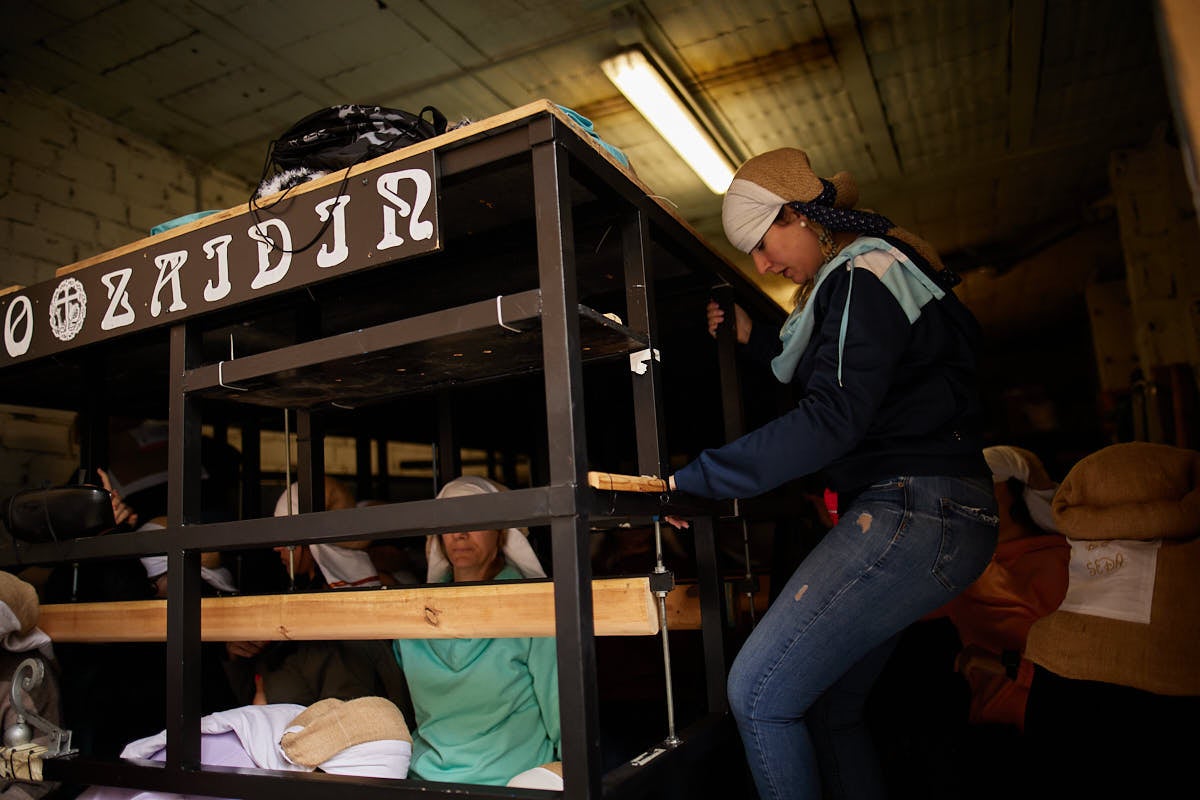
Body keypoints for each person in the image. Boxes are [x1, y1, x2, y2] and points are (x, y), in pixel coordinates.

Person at [665, 147, 999, 799]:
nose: (761, 265)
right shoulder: (876, 274)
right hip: (944, 509)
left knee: (757, 694)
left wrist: (697, 480)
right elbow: (863, 369)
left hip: (916, 510)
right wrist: (754, 339)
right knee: (826, 707)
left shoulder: (862, 274)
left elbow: (832, 417)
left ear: (797, 215)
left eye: (764, 243)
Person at [393, 475, 561, 788]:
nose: (460, 533)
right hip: (424, 779)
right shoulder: (416, 614)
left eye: (475, 519)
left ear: (501, 533)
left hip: (513, 780)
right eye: (449, 523)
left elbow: (562, 709)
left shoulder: (530, 608)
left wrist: (570, 769)